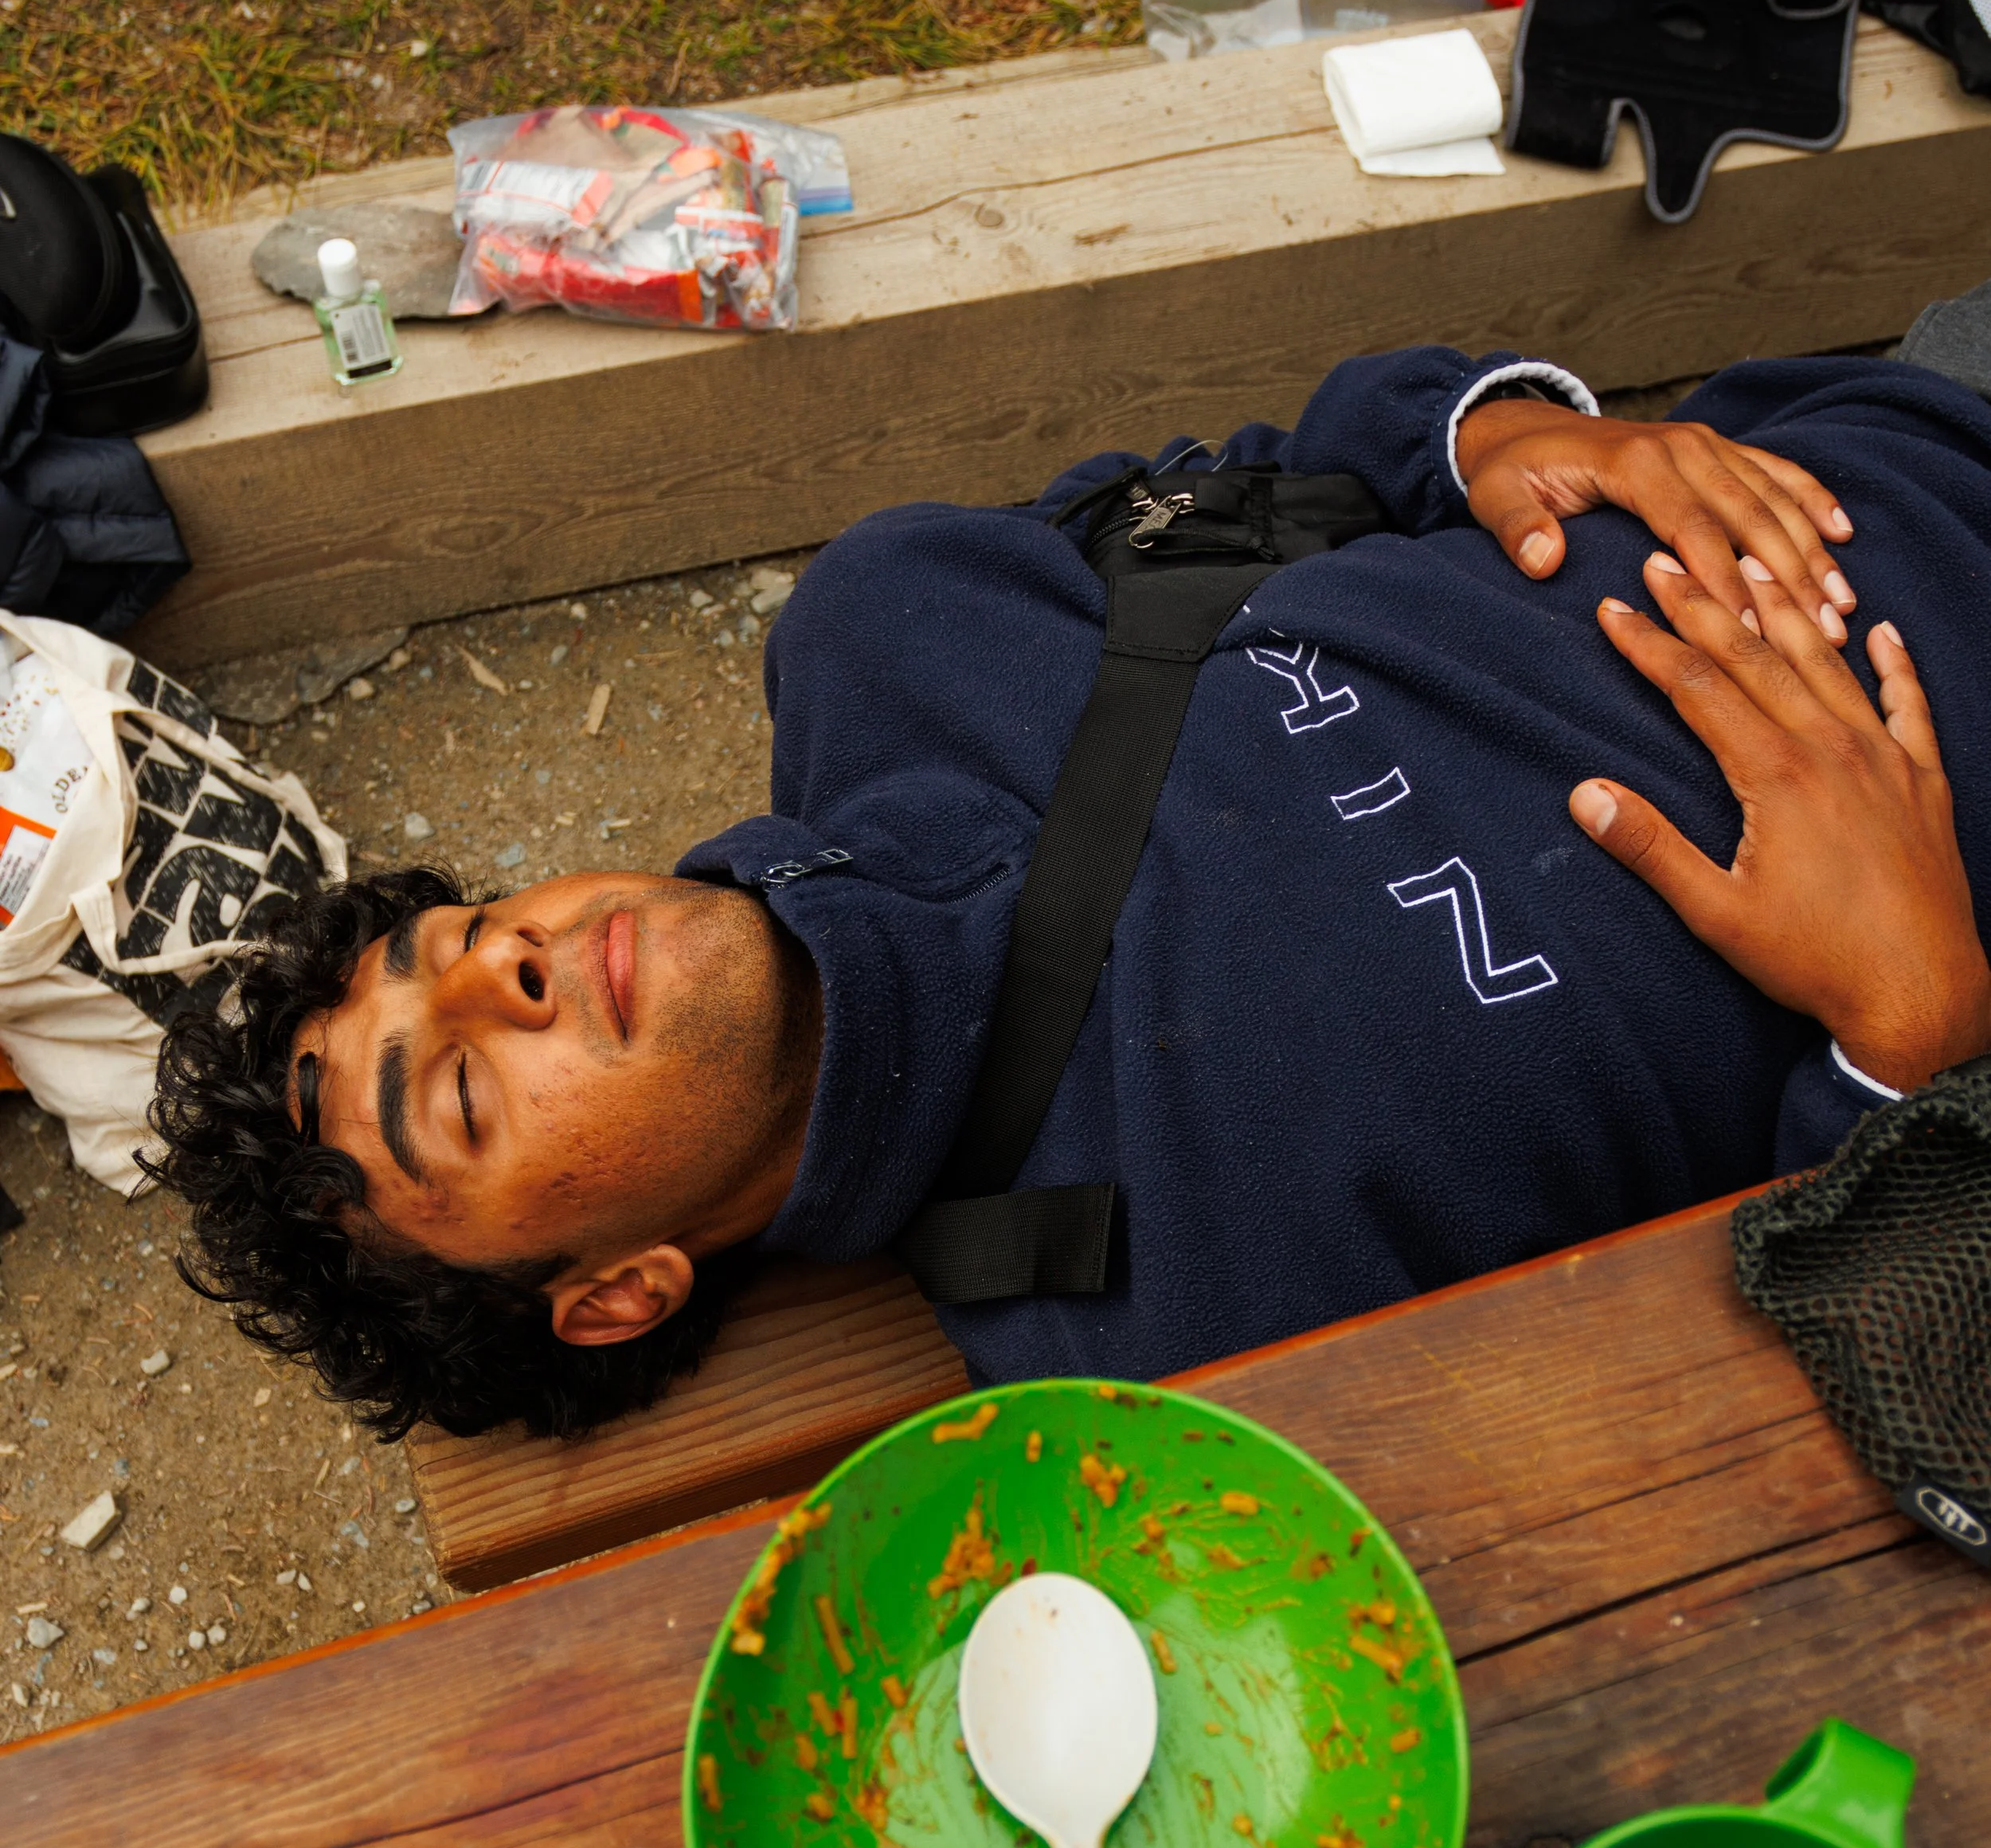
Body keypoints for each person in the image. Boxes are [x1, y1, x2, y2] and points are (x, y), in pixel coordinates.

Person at [148, 332, 1991, 1437]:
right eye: (464, 1087)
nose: (512, 970)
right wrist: (1905, 1044)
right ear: (618, 1293)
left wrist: (1493, 439)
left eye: (457, 940)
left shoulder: (890, 629)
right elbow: (1765, 1397)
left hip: (1904, 418)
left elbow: (1279, 486)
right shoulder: (1183, 1339)